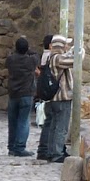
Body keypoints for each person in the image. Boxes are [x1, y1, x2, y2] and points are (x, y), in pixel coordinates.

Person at [35, 34, 73, 163]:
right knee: (61, 127)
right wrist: (80, 49)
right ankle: (57, 153)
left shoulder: (50, 57)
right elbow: (75, 60)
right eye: (66, 45)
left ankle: (51, 151)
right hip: (61, 97)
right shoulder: (57, 58)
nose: (67, 47)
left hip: (53, 98)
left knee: (53, 126)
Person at [3, 36, 40, 156]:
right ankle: (20, 147)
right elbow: (36, 54)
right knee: (23, 121)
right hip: (26, 93)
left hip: (13, 93)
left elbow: (10, 57)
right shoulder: (31, 61)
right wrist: (28, 49)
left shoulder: (10, 60)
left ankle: (11, 146)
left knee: (12, 121)